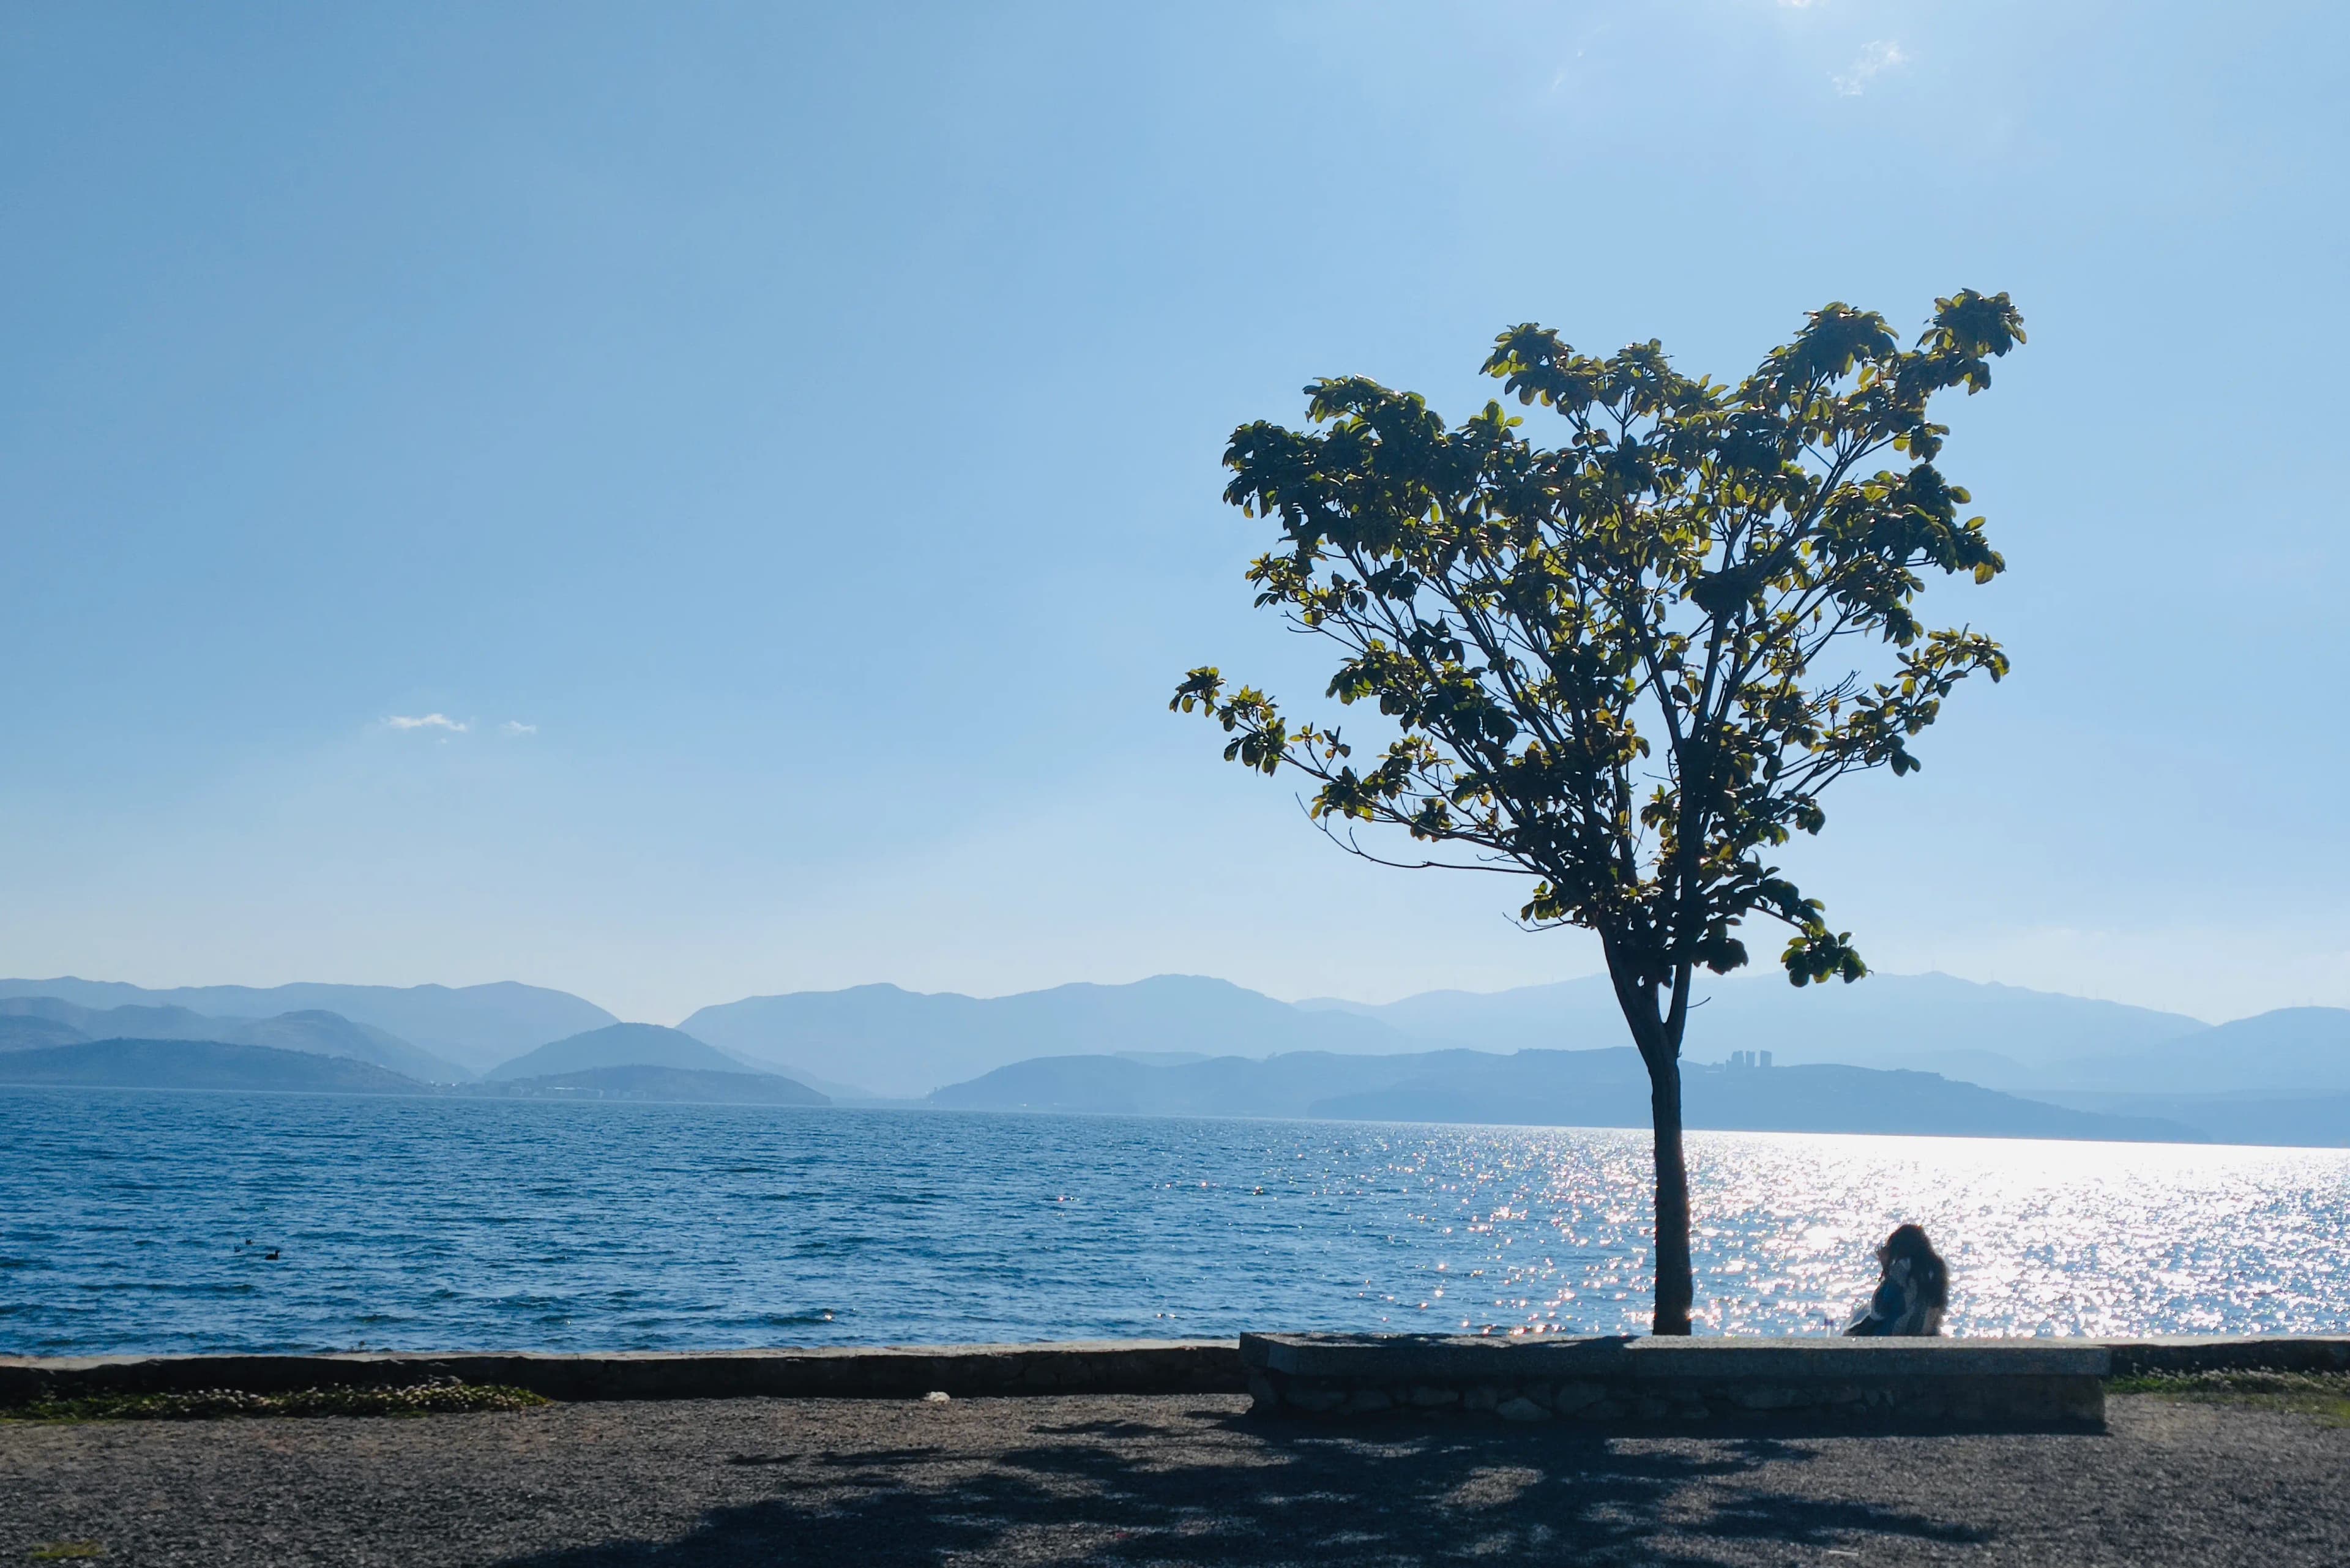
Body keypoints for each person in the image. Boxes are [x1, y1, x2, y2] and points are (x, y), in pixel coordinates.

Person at [1843, 1223, 1948, 1336]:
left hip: (1898, 1331)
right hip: (1928, 1332)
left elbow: (1879, 1311)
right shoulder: (1938, 1268)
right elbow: (1940, 1306)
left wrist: (1887, 1269)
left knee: (1850, 1336)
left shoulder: (1903, 1269)